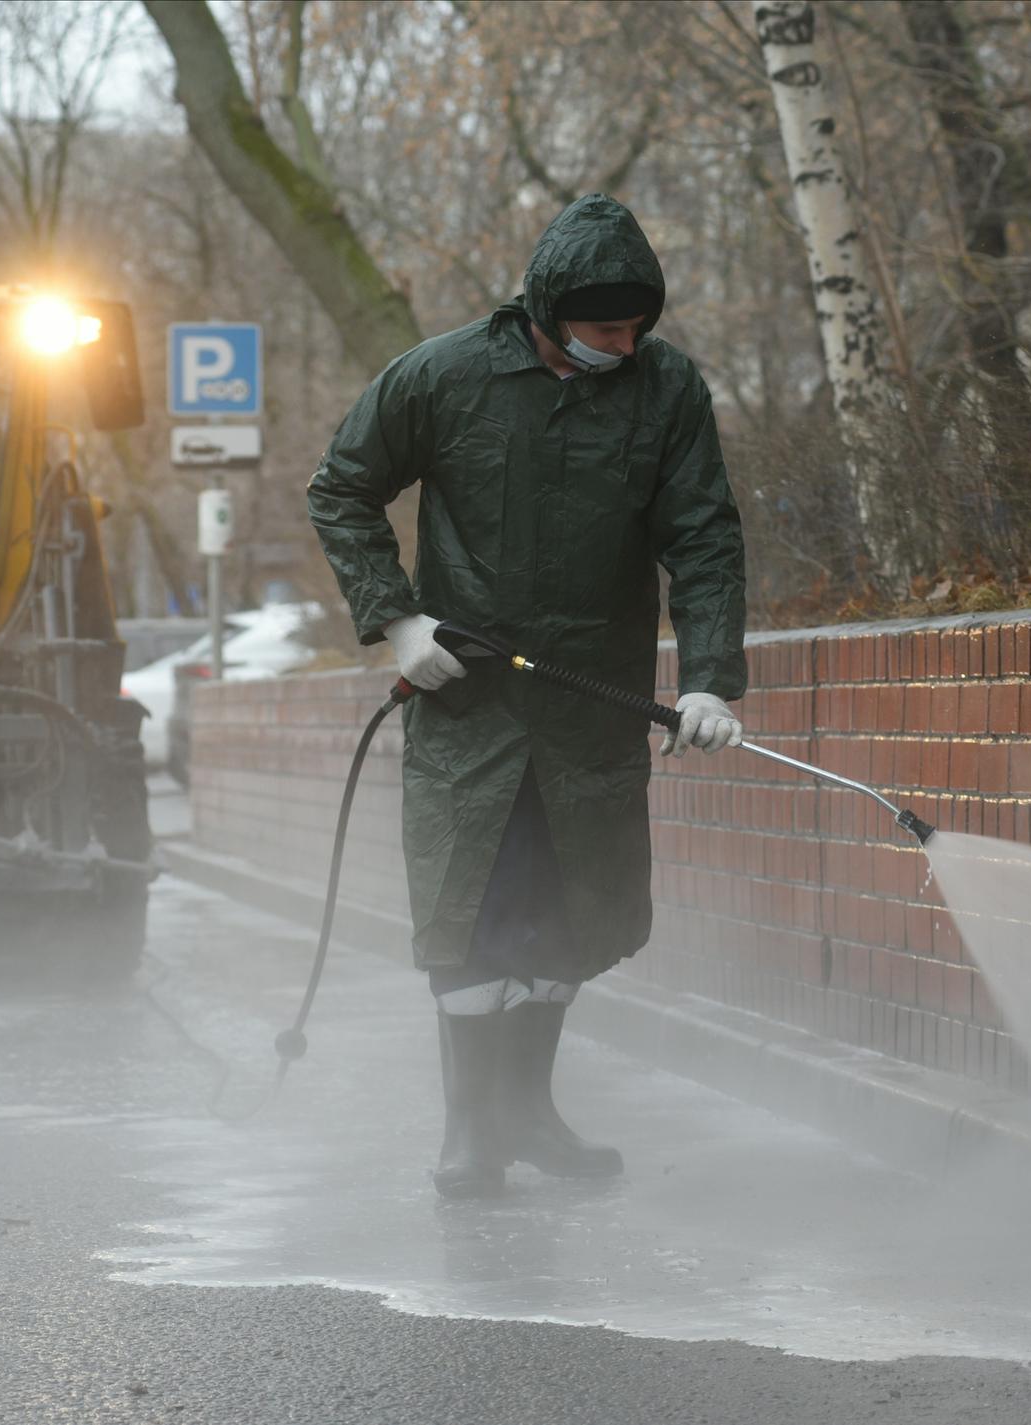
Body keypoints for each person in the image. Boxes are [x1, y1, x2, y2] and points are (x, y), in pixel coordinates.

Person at [307, 193, 747, 1198]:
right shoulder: (443, 377)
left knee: (567, 920)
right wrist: (398, 618)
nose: (622, 346)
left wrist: (713, 677)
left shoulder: (666, 390)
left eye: (637, 329)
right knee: (472, 918)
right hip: (472, 708)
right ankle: (474, 1130)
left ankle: (533, 1116)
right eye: (605, 331)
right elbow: (341, 486)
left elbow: (705, 538)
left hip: (594, 707)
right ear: (550, 313)